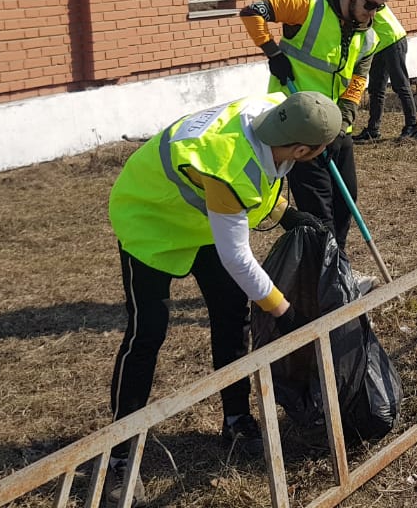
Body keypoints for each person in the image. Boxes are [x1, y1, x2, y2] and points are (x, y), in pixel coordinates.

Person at [106, 90, 342, 501]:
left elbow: (263, 175)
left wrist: (284, 212)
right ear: (301, 147)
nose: (319, 157)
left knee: (232, 316)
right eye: (317, 152)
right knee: (147, 333)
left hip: (203, 220)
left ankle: (236, 419)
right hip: (150, 218)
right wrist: (284, 313)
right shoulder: (226, 164)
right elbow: (237, 257)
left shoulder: (271, 112)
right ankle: (121, 456)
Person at [239, 0, 393, 250]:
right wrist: (272, 52)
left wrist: (347, 115)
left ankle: (337, 265)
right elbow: (252, 12)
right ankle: (327, 278)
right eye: (369, 5)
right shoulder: (307, 6)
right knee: (318, 209)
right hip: (299, 124)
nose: (372, 14)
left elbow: (359, 77)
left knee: (346, 202)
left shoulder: (368, 36)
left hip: (335, 125)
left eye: (379, 9)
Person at [312, 0, 417, 143]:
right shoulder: (346, 1)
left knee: (400, 84)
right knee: (376, 89)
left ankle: (412, 126)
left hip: (393, 40)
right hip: (378, 45)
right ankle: (373, 130)